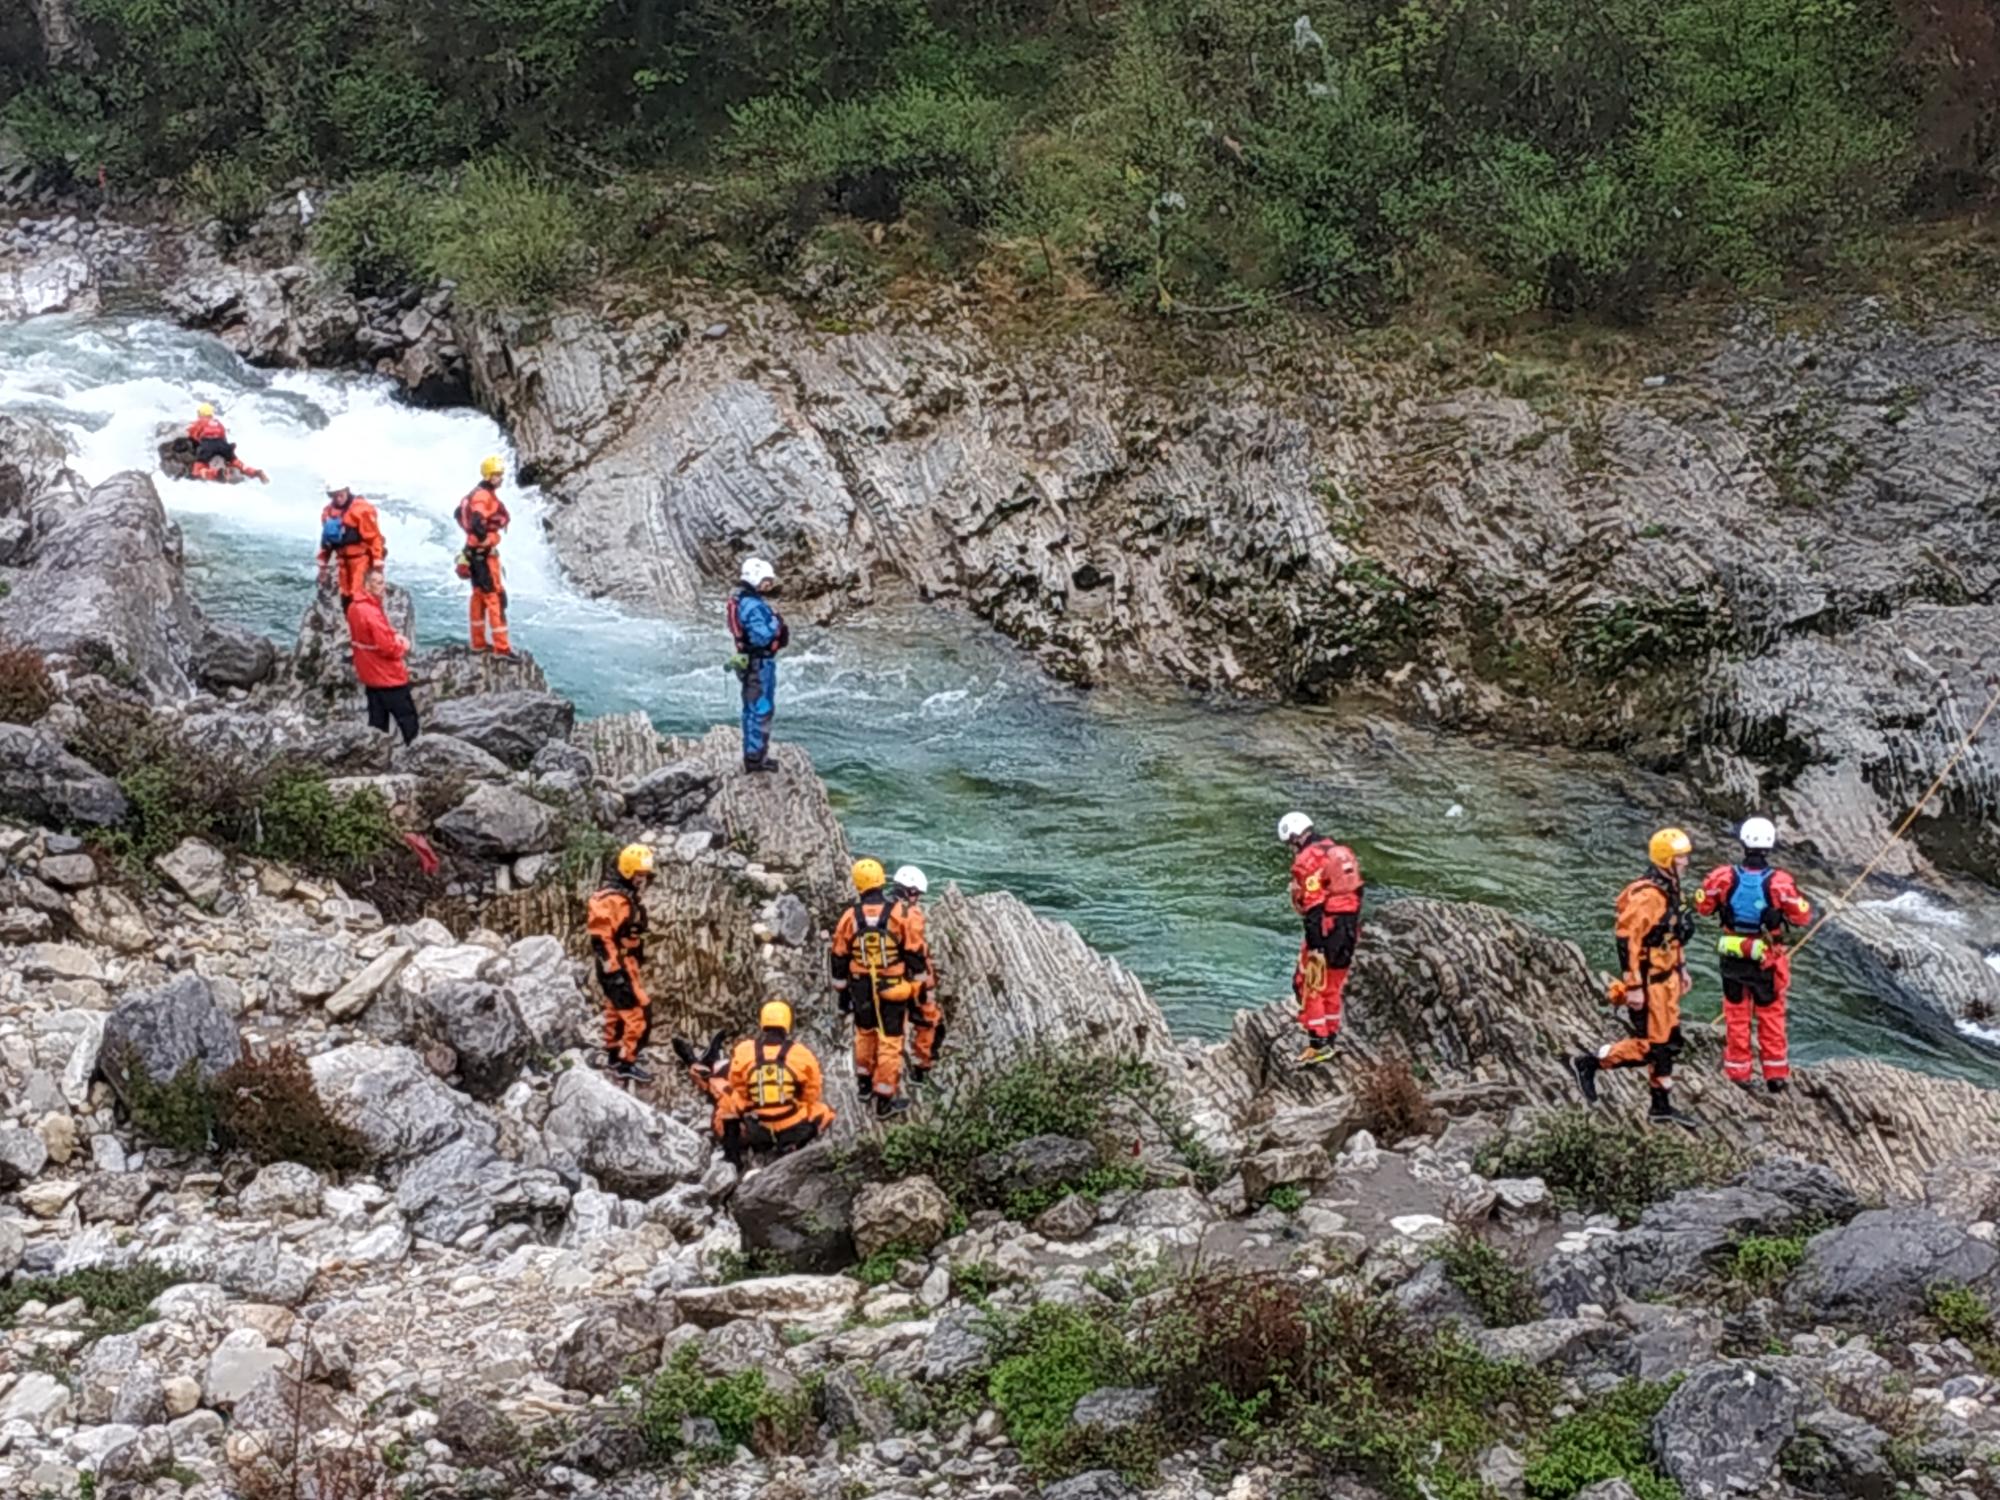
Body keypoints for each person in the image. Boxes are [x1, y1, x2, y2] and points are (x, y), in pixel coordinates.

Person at [1572, 828, 1699, 1130]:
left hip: (1666, 979)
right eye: (1681, 856)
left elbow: (1673, 935)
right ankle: (1591, 1062)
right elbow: (1627, 940)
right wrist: (1633, 987)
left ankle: (1660, 1106)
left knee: (1669, 1043)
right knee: (1651, 1046)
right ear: (1667, 859)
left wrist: (1681, 969)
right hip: (1649, 983)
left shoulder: (1671, 889)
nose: (1686, 862)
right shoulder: (1647, 897)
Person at [1693, 817, 1812, 1093]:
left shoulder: (1721, 877)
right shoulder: (1781, 883)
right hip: (1767, 958)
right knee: (1770, 1016)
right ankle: (1775, 1074)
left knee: (1736, 1015)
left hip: (1733, 953)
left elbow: (1703, 906)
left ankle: (1738, 1073)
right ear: (1770, 844)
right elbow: (1802, 916)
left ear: (1743, 841)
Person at [830, 857, 928, 1117]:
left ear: (858, 885)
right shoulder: (900, 914)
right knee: (890, 1041)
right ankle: (884, 1099)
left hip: (861, 987)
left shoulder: (849, 917)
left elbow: (839, 957)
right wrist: (920, 990)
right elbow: (914, 954)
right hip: (892, 987)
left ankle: (864, 1086)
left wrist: (842, 995)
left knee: (864, 1034)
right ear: (882, 880)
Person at [683, 1002, 837, 1166]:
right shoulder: (801, 1054)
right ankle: (793, 1146)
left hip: (757, 1129)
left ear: (763, 1024)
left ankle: (732, 1159)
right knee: (824, 1111)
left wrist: (756, 1101)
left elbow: (738, 1087)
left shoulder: (745, 1050)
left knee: (727, 1103)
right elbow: (812, 1093)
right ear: (787, 1023)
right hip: (794, 1130)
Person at [1279, 811, 1363, 1064]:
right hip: (1349, 928)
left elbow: (1314, 907)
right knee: (1333, 986)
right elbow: (1359, 891)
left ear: (1293, 837)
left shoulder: (1308, 860)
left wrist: (1315, 946)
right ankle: (1331, 1036)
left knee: (1308, 984)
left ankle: (1317, 1044)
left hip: (1327, 928)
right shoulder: (1341, 852)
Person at [588, 844, 657, 1082]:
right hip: (618, 964)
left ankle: (613, 1050)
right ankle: (626, 1061)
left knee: (615, 1011)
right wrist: (613, 969)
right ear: (628, 871)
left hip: (625, 961)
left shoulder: (625, 897)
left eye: (645, 875)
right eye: (639, 875)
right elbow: (600, 937)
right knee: (639, 1014)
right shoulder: (610, 900)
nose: (643, 880)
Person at [344, 568, 419, 745]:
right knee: (408, 718)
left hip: (369, 673)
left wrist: (392, 635)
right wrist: (403, 645)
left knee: (377, 722)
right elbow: (387, 647)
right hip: (387, 676)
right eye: (378, 583)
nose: (383, 587)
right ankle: (417, 754)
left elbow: (373, 634)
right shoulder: (371, 612)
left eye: (383, 582)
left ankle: (376, 756)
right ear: (368, 585)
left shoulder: (355, 607)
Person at [727, 557, 788, 772]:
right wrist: (776, 620)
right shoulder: (752, 606)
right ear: (755, 578)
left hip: (752, 662)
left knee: (752, 709)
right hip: (759, 663)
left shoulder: (742, 600)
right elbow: (762, 637)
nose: (768, 586)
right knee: (760, 709)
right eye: (766, 581)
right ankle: (756, 759)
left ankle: (754, 754)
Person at [891, 865, 947, 1085]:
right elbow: (915, 953)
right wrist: (925, 987)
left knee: (893, 1030)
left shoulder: (881, 910)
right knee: (930, 1021)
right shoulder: (910, 914)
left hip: (884, 978)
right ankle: (922, 1069)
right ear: (910, 891)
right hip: (910, 980)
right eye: (917, 894)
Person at [456, 456, 512, 656]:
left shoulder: (477, 494)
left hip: (475, 554)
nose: (500, 478)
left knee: (478, 597)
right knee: (494, 597)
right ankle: (502, 648)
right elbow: (479, 523)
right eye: (497, 475)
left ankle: (478, 643)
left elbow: (462, 516)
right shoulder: (483, 497)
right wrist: (487, 540)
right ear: (489, 475)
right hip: (484, 556)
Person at [318, 482, 385, 609]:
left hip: (361, 558)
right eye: (334, 496)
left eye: (340, 495)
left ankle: (366, 621)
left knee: (359, 594)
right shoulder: (328, 512)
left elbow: (373, 536)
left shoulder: (361, 509)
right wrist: (322, 562)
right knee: (345, 594)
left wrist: (377, 558)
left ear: (347, 491)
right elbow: (326, 541)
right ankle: (350, 620)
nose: (338, 499)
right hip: (342, 559)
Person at [186, 402, 267, 483]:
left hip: (208, 445)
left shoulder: (199, 422)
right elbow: (223, 436)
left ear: (201, 413)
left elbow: (191, 435)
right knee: (236, 462)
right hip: (223, 444)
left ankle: (219, 473)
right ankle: (256, 472)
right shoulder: (218, 423)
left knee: (198, 470)